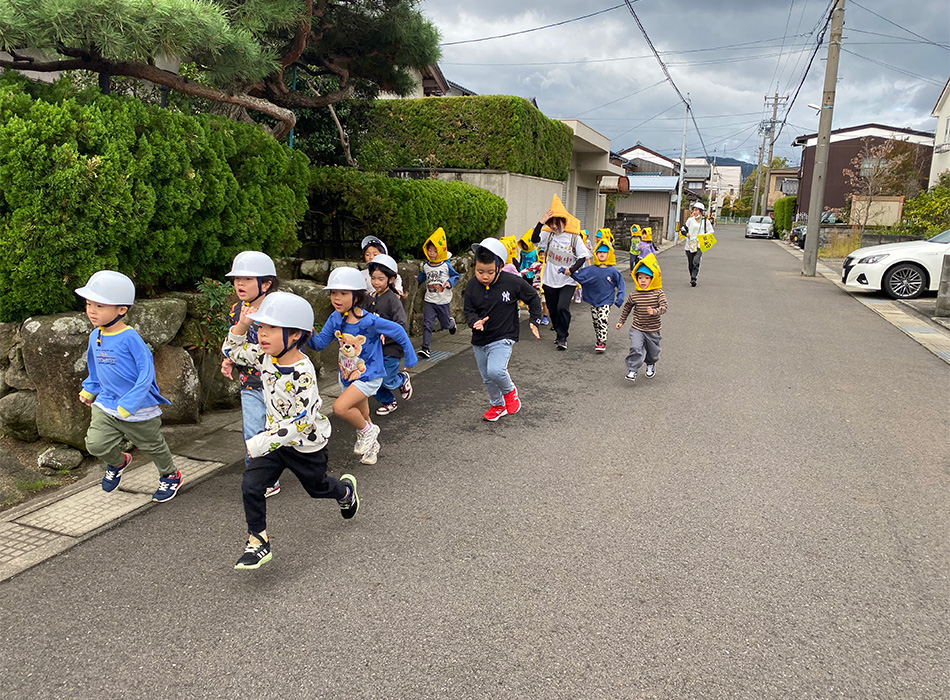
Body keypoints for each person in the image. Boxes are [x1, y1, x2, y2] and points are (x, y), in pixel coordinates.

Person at [222, 291, 359, 570]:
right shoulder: (263, 355)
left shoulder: (302, 371)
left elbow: (303, 421)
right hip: (274, 444)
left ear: (296, 335)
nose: (263, 334)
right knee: (251, 485)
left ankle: (345, 492)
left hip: (306, 446)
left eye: (271, 328)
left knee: (318, 488)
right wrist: (243, 325)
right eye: (261, 327)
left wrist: (263, 441)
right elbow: (232, 351)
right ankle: (258, 540)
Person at [76, 271, 182, 503]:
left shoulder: (130, 338)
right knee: (95, 444)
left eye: (99, 305)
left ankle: (170, 475)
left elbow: (146, 374)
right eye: (88, 304)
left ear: (121, 310)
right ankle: (118, 462)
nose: (91, 310)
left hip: (139, 407)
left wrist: (130, 403)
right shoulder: (95, 336)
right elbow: (95, 368)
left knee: (153, 446)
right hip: (106, 403)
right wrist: (90, 388)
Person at [308, 267, 417, 465]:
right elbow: (319, 344)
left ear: (357, 296)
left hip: (369, 375)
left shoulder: (370, 321)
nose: (337, 298)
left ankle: (369, 432)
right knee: (363, 415)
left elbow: (399, 331)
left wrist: (410, 359)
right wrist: (306, 335)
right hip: (347, 376)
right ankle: (371, 445)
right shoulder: (335, 318)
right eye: (333, 293)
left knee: (340, 408)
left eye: (343, 293)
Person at [221, 251, 282, 498]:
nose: (239, 284)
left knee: (280, 430)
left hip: (279, 382)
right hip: (251, 383)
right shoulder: (237, 310)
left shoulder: (278, 308)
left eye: (247, 279)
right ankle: (261, 478)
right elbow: (233, 342)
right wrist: (229, 360)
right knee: (253, 432)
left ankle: (282, 468)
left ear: (266, 284)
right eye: (237, 279)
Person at [464, 238, 543, 421]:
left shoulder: (512, 282)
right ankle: (498, 405)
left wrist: (534, 320)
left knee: (496, 371)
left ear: (499, 267)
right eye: (479, 271)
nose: (484, 276)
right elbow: (468, 310)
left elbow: (533, 297)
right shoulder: (471, 285)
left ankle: (510, 392)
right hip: (480, 338)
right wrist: (475, 321)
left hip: (504, 335)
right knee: (487, 378)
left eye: (490, 272)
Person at [530, 194, 591, 350]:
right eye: (552, 223)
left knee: (562, 307)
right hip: (550, 279)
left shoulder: (574, 238)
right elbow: (534, 239)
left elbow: (583, 256)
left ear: (564, 221)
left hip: (567, 280)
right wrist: (541, 221)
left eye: (557, 223)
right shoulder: (548, 235)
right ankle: (559, 331)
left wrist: (572, 270)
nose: (555, 227)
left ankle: (563, 337)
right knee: (553, 309)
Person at [560, 238, 626, 353]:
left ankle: (602, 341)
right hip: (594, 300)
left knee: (602, 319)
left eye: (604, 252)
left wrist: (620, 298)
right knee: (596, 321)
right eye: (599, 252)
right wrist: (567, 271)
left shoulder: (613, 271)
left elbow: (621, 284)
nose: (601, 254)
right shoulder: (591, 270)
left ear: (609, 254)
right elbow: (580, 276)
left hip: (606, 300)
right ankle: (599, 337)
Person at [367, 253, 413, 416]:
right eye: (373, 278)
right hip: (375, 348)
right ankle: (388, 402)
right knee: (372, 379)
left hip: (392, 347)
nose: (376, 282)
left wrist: (387, 335)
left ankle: (402, 379)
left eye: (380, 279)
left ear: (391, 279)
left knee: (386, 379)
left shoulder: (393, 300)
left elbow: (401, 324)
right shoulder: (371, 298)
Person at [616, 254, 667, 382]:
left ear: (652, 279)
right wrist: (621, 321)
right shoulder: (634, 295)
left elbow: (664, 307)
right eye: (640, 278)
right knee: (636, 347)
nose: (643, 281)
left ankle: (650, 364)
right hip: (637, 328)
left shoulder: (658, 293)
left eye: (646, 278)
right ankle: (632, 369)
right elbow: (627, 308)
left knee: (653, 352)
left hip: (653, 329)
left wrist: (654, 311)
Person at [416, 227, 460, 359]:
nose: (432, 253)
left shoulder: (446, 266)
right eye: (429, 250)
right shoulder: (426, 265)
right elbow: (424, 276)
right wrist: (418, 279)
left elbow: (456, 276)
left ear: (440, 251)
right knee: (427, 324)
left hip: (443, 300)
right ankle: (425, 348)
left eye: (435, 251)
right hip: (430, 299)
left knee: (445, 324)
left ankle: (451, 323)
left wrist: (449, 283)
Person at [681, 202, 713, 287]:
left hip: (700, 245)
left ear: (701, 212)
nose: (694, 212)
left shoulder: (705, 221)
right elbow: (683, 229)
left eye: (696, 210)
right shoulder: (690, 220)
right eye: (693, 210)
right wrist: (686, 234)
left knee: (696, 261)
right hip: (690, 244)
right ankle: (692, 276)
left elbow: (711, 232)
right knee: (691, 263)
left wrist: (704, 236)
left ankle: (694, 278)